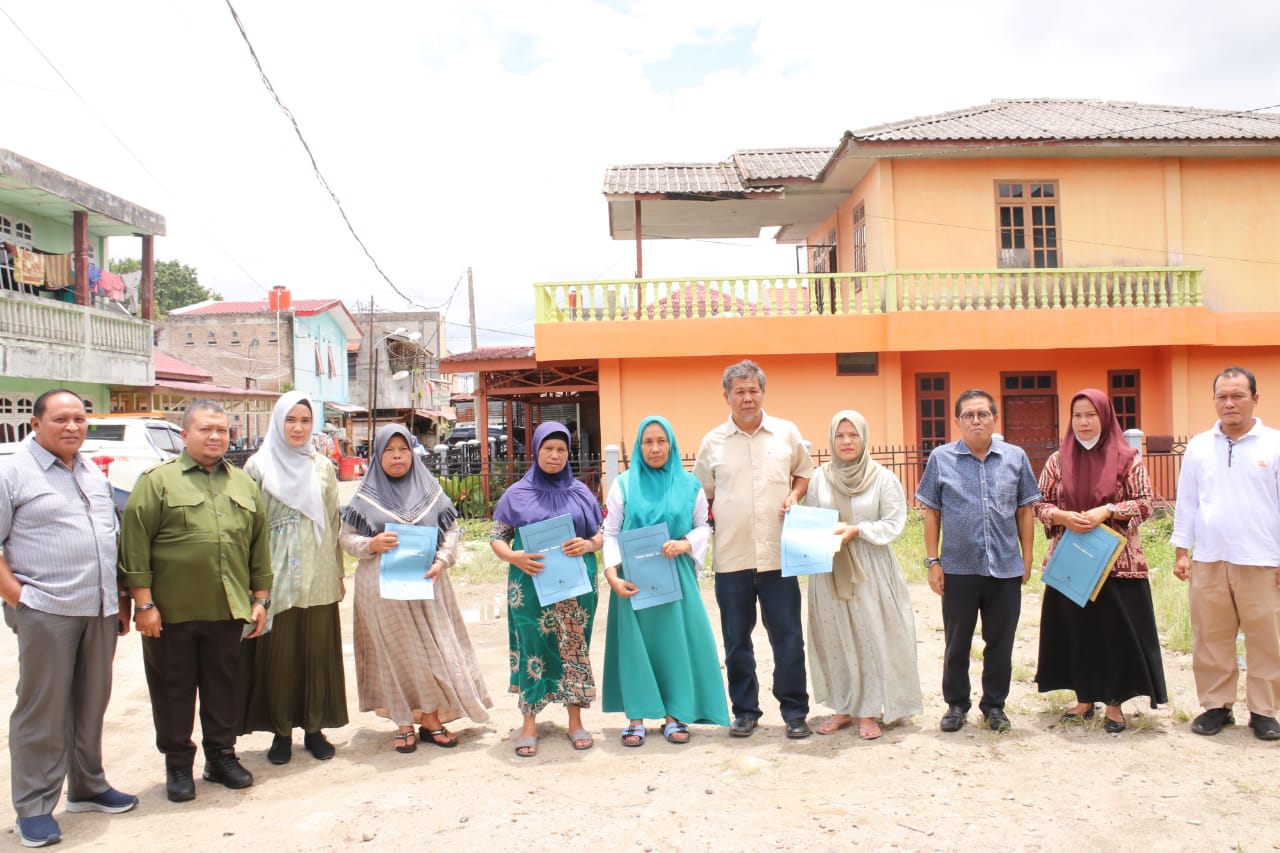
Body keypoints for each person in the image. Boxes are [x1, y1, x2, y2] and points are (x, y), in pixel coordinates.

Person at [0, 390, 137, 848]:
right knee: (43, 709)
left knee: (91, 702)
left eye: (80, 418)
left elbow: (107, 538)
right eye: (61, 419)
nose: (73, 427)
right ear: (35, 424)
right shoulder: (12, 472)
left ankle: (88, 786)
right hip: (47, 611)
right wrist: (21, 599)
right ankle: (35, 807)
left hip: (98, 609)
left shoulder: (90, 472)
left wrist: (119, 596)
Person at [120, 400, 272, 803]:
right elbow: (134, 546)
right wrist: (144, 605)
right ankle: (177, 764)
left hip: (227, 608)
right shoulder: (157, 482)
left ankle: (221, 757)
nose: (216, 436)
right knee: (173, 689)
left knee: (224, 686)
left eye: (222, 429)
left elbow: (258, 546)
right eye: (206, 429)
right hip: (171, 613)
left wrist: (261, 599)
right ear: (184, 435)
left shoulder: (242, 484)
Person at [340, 424, 492, 753]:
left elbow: (451, 530)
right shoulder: (365, 496)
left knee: (430, 652)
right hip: (381, 589)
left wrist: (443, 559)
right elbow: (346, 539)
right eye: (389, 451)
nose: (397, 457)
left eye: (403, 449)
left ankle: (431, 718)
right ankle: (404, 722)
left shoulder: (430, 489)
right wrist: (372, 543)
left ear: (412, 452)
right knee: (394, 655)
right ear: (378, 456)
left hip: (428, 583)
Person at [693, 359, 814, 739]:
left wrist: (794, 495)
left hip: (779, 556)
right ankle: (745, 711)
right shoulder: (712, 442)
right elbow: (703, 495)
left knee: (789, 638)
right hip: (732, 558)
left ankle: (795, 712)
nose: (747, 398)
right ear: (726, 395)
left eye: (753, 390)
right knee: (736, 641)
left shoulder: (786, 433)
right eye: (740, 391)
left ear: (763, 392)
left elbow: (804, 472)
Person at [1033, 389, 1167, 733]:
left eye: (1091, 414)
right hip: (1072, 563)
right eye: (1077, 415)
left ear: (1105, 417)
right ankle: (1083, 698)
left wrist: (1107, 510)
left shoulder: (1127, 458)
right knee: (1077, 632)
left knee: (1114, 634)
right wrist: (1062, 516)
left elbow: (1145, 503)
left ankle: (1115, 704)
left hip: (1117, 564)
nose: (1084, 422)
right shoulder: (1058, 460)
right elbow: (1040, 504)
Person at [601, 416, 730, 747]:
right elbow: (612, 533)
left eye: (661, 441)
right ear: (639, 447)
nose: (655, 448)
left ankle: (675, 714)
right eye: (647, 442)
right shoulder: (624, 484)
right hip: (633, 581)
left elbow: (704, 526)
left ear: (671, 445)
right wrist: (612, 574)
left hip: (676, 578)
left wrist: (686, 543)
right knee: (636, 647)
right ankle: (636, 717)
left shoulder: (690, 486)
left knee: (675, 644)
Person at [915, 389, 1039, 733]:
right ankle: (956, 704)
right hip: (957, 568)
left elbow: (1025, 509)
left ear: (995, 419)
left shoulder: (1015, 457)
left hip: (1004, 568)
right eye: (968, 415)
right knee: (957, 642)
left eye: (982, 414)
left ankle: (994, 706)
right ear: (957, 422)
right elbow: (931, 511)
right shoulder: (941, 459)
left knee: (1001, 642)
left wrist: (1027, 558)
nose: (976, 420)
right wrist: (933, 562)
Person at [238, 392, 349, 764]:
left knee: (316, 654)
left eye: (304, 420)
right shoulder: (258, 467)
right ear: (278, 422)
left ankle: (314, 728)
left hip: (317, 574)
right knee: (279, 656)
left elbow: (333, 523)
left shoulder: (322, 467)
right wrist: (253, 585)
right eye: (291, 420)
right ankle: (281, 732)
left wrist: (337, 572)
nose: (298, 427)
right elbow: (249, 529)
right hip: (276, 577)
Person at [1172, 366, 1280, 740]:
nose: (1229, 403)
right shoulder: (1200, 445)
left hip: (1262, 560)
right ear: (1214, 400)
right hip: (1209, 558)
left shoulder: (1274, 444)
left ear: (1255, 398)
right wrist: (1181, 552)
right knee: (1211, 636)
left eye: (1237, 396)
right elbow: (1186, 501)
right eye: (1222, 396)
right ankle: (1216, 706)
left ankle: (1264, 711)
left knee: (1266, 638)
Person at [803, 410, 922, 740]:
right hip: (830, 570)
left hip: (871, 569)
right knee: (837, 638)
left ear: (864, 438)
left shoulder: (882, 478)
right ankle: (843, 707)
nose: (846, 441)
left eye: (852, 435)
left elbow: (894, 522)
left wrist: (857, 530)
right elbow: (813, 520)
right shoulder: (819, 478)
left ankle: (870, 711)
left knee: (872, 636)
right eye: (840, 435)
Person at [491, 421, 604, 757]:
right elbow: (497, 537)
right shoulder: (517, 494)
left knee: (574, 646)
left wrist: (587, 546)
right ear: (536, 451)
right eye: (548, 449)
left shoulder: (581, 492)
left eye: (561, 450)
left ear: (569, 453)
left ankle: (576, 721)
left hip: (575, 584)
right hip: (530, 582)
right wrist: (515, 557)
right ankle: (529, 724)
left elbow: (600, 534)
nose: (554, 456)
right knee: (533, 648)